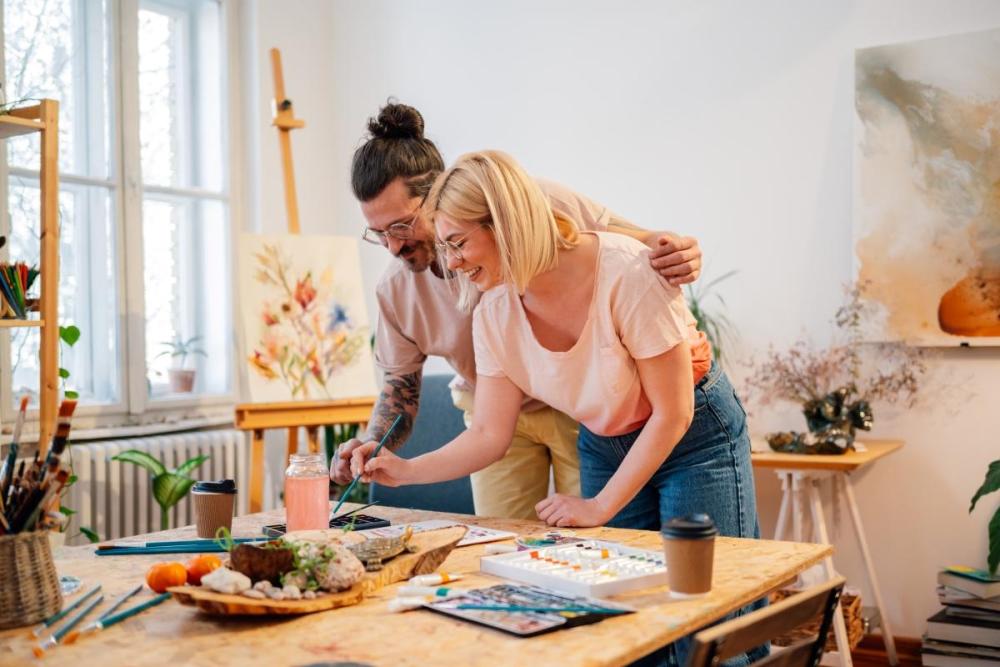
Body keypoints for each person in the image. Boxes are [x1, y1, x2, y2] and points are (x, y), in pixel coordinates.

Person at [350, 150, 764, 665]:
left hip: (695, 436)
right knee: (625, 619)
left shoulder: (625, 269)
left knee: (710, 620)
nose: (449, 263)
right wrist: (405, 471)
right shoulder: (493, 311)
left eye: (457, 244)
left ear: (504, 226)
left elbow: (673, 413)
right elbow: (488, 436)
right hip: (604, 441)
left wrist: (598, 507)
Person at [331, 103, 704, 520]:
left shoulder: (527, 203)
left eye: (400, 226)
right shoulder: (414, 292)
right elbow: (408, 390)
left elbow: (636, 245)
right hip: (494, 409)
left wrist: (677, 253)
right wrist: (376, 448)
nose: (392, 247)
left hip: (578, 404)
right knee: (503, 541)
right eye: (378, 234)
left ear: (436, 196)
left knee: (595, 540)